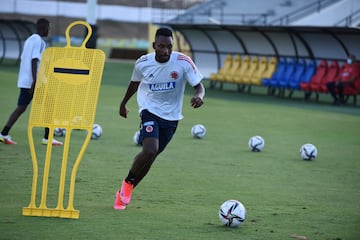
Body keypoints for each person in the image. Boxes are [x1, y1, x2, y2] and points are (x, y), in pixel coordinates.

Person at [114, 27, 205, 210]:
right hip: (149, 110)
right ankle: (127, 185)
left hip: (171, 117)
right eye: (161, 46)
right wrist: (123, 103)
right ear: (154, 45)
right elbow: (134, 84)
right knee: (150, 150)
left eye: (169, 47)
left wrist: (199, 96)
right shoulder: (143, 63)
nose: (166, 51)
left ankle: (127, 188)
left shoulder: (183, 61)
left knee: (151, 157)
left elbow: (199, 87)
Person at [0, 18, 62, 146]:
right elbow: (34, 60)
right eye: (48, 28)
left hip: (25, 80)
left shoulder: (29, 40)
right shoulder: (39, 41)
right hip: (34, 82)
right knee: (50, 106)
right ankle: (47, 138)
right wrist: (35, 81)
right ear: (44, 28)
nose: (49, 31)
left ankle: (3, 134)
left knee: (21, 108)